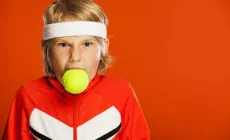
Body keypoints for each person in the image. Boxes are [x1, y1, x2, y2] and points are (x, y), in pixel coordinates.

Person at [2, 0, 150, 139]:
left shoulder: (122, 94)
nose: (75, 56)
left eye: (86, 44)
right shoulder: (28, 97)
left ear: (103, 48)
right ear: (47, 51)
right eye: (64, 44)